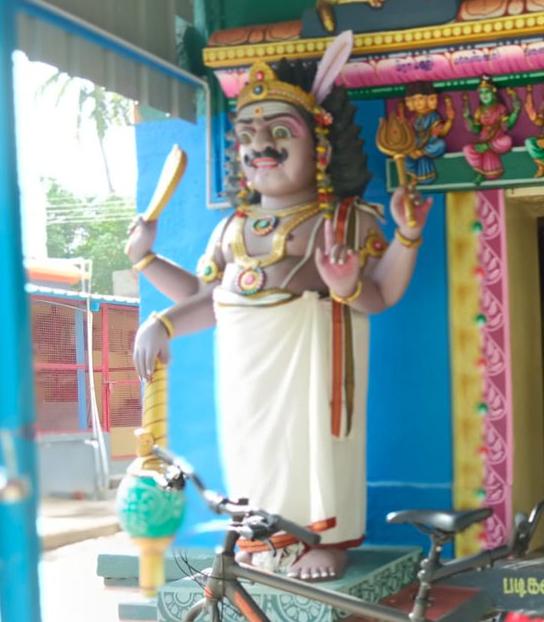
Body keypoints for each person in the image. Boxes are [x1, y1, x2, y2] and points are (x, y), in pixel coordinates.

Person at [126, 34, 431, 581]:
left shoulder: (343, 221)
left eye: (280, 133)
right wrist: (148, 268)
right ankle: (265, 540)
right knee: (253, 456)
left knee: (312, 450)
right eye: (247, 136)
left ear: (322, 149)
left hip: (312, 371)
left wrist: (403, 239)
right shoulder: (232, 229)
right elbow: (210, 300)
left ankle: (325, 540)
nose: (260, 147)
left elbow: (378, 295)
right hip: (246, 374)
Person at [462, 76, 519, 184]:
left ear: (493, 92)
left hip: (496, 139)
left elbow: (506, 125)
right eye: (481, 93)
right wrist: (467, 117)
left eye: (487, 92)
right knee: (467, 149)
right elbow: (476, 129)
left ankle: (487, 148)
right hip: (483, 140)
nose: (484, 95)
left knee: (507, 141)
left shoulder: (500, 108)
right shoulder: (479, 111)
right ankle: (480, 171)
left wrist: (515, 112)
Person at [401, 80, 454, 185]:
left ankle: (421, 154)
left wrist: (450, 120)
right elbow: (409, 134)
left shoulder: (433, 116)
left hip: (428, 145)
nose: (418, 102)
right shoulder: (413, 118)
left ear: (429, 99)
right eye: (414, 100)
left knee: (440, 144)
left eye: (420, 98)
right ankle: (413, 176)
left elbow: (442, 133)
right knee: (405, 152)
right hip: (416, 145)